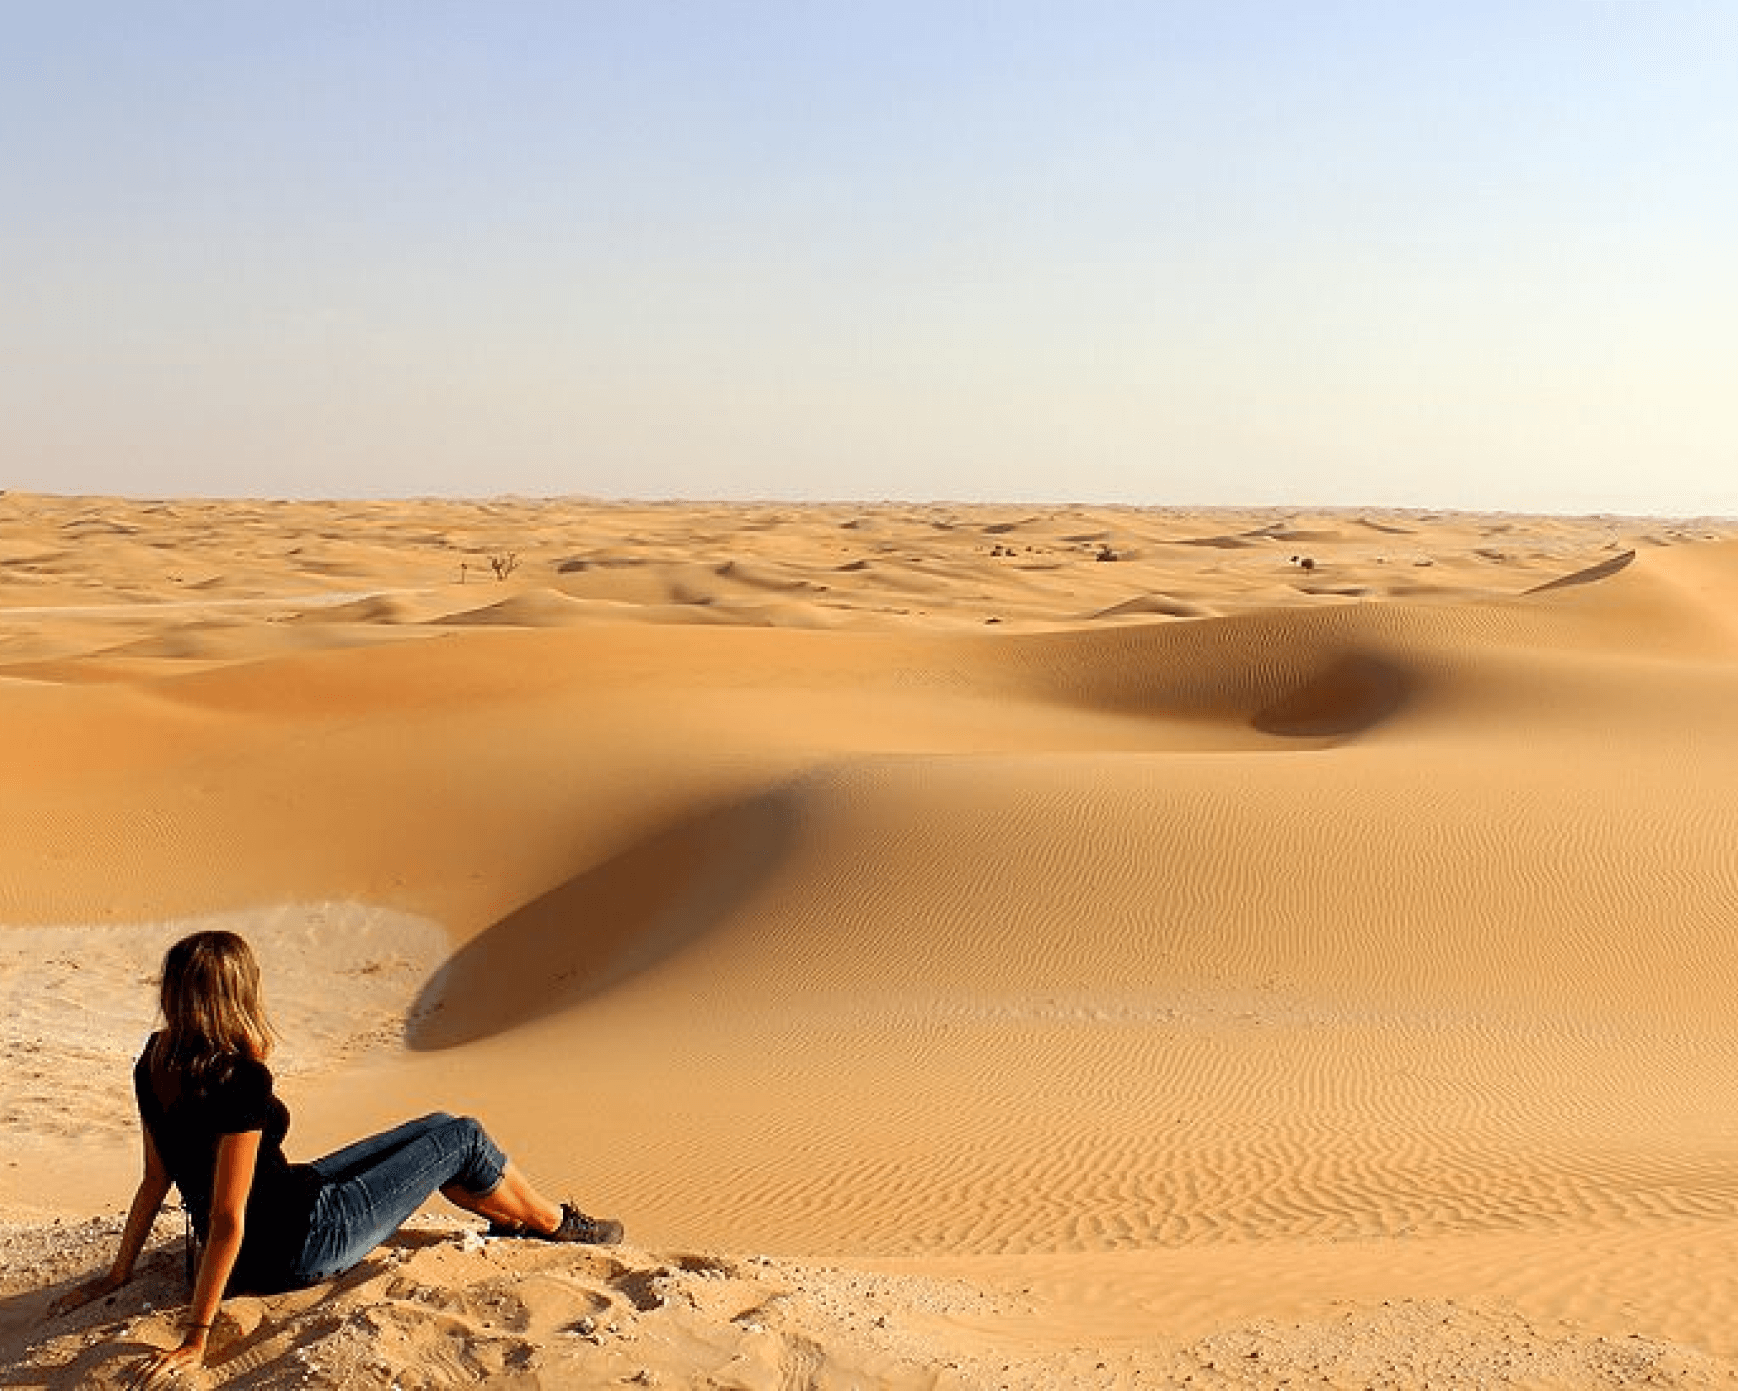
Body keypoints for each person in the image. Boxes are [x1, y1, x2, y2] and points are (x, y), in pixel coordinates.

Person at [47, 929, 623, 1386]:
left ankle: (508, 1214)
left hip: (282, 1212)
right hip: (301, 1244)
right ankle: (552, 1223)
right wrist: (197, 1336)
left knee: (439, 1127)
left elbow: (155, 1179)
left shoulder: (155, 1059)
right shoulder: (238, 1079)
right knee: (465, 1136)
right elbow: (227, 1216)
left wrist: (117, 1275)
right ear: (235, 994)